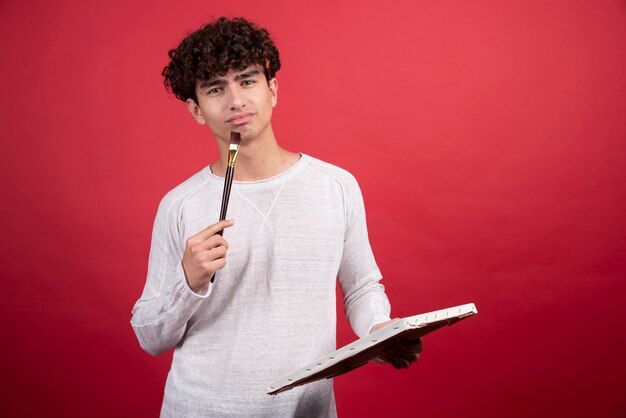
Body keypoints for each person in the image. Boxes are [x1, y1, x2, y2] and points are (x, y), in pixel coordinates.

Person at [131, 17, 422, 417]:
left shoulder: (335, 185)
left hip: (309, 409)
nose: (236, 101)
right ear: (196, 110)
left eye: (247, 81)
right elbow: (150, 337)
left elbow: (361, 287)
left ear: (272, 89)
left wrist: (378, 330)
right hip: (201, 408)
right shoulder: (181, 205)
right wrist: (188, 280)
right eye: (216, 89)